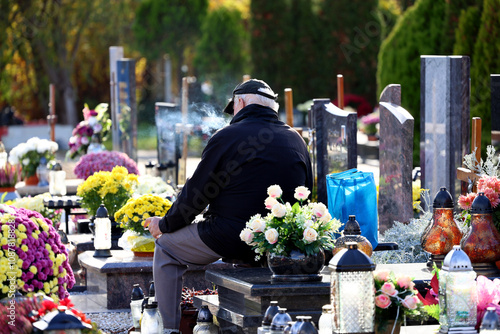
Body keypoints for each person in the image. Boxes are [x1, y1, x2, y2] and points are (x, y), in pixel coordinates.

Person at [144, 78, 313, 334]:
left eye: (233, 107)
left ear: (241, 103)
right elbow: (307, 197)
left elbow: (196, 195)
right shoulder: (296, 140)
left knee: (166, 249)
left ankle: (167, 329)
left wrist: (165, 224)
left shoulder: (227, 136)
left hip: (230, 236)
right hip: (278, 242)